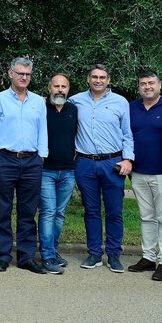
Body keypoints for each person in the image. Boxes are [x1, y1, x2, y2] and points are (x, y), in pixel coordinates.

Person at [0, 57, 48, 274]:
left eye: (28, 74)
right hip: (6, 159)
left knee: (28, 211)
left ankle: (26, 257)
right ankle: (2, 256)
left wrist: (42, 155)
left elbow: (42, 130)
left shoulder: (38, 101)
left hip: (32, 161)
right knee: (2, 209)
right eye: (20, 73)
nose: (24, 77)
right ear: (10, 73)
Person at [69, 65, 134, 273]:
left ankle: (114, 254)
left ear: (108, 80)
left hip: (113, 163)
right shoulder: (75, 101)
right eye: (94, 77)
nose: (98, 80)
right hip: (85, 162)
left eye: (102, 77)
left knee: (114, 211)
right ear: (88, 79)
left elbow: (127, 134)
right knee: (92, 211)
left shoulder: (120, 102)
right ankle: (94, 253)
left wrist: (128, 159)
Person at [128, 71, 162, 281]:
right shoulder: (132, 107)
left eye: (151, 83)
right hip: (138, 172)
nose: (147, 86)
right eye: (143, 83)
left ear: (160, 84)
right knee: (146, 216)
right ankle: (148, 257)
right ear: (139, 87)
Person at [39, 73, 78, 274]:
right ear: (49, 87)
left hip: (68, 171)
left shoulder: (73, 109)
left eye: (63, 86)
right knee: (48, 212)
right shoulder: (40, 108)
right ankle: (46, 256)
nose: (60, 90)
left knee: (60, 213)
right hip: (45, 171)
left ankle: (53, 250)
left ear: (68, 89)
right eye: (56, 86)